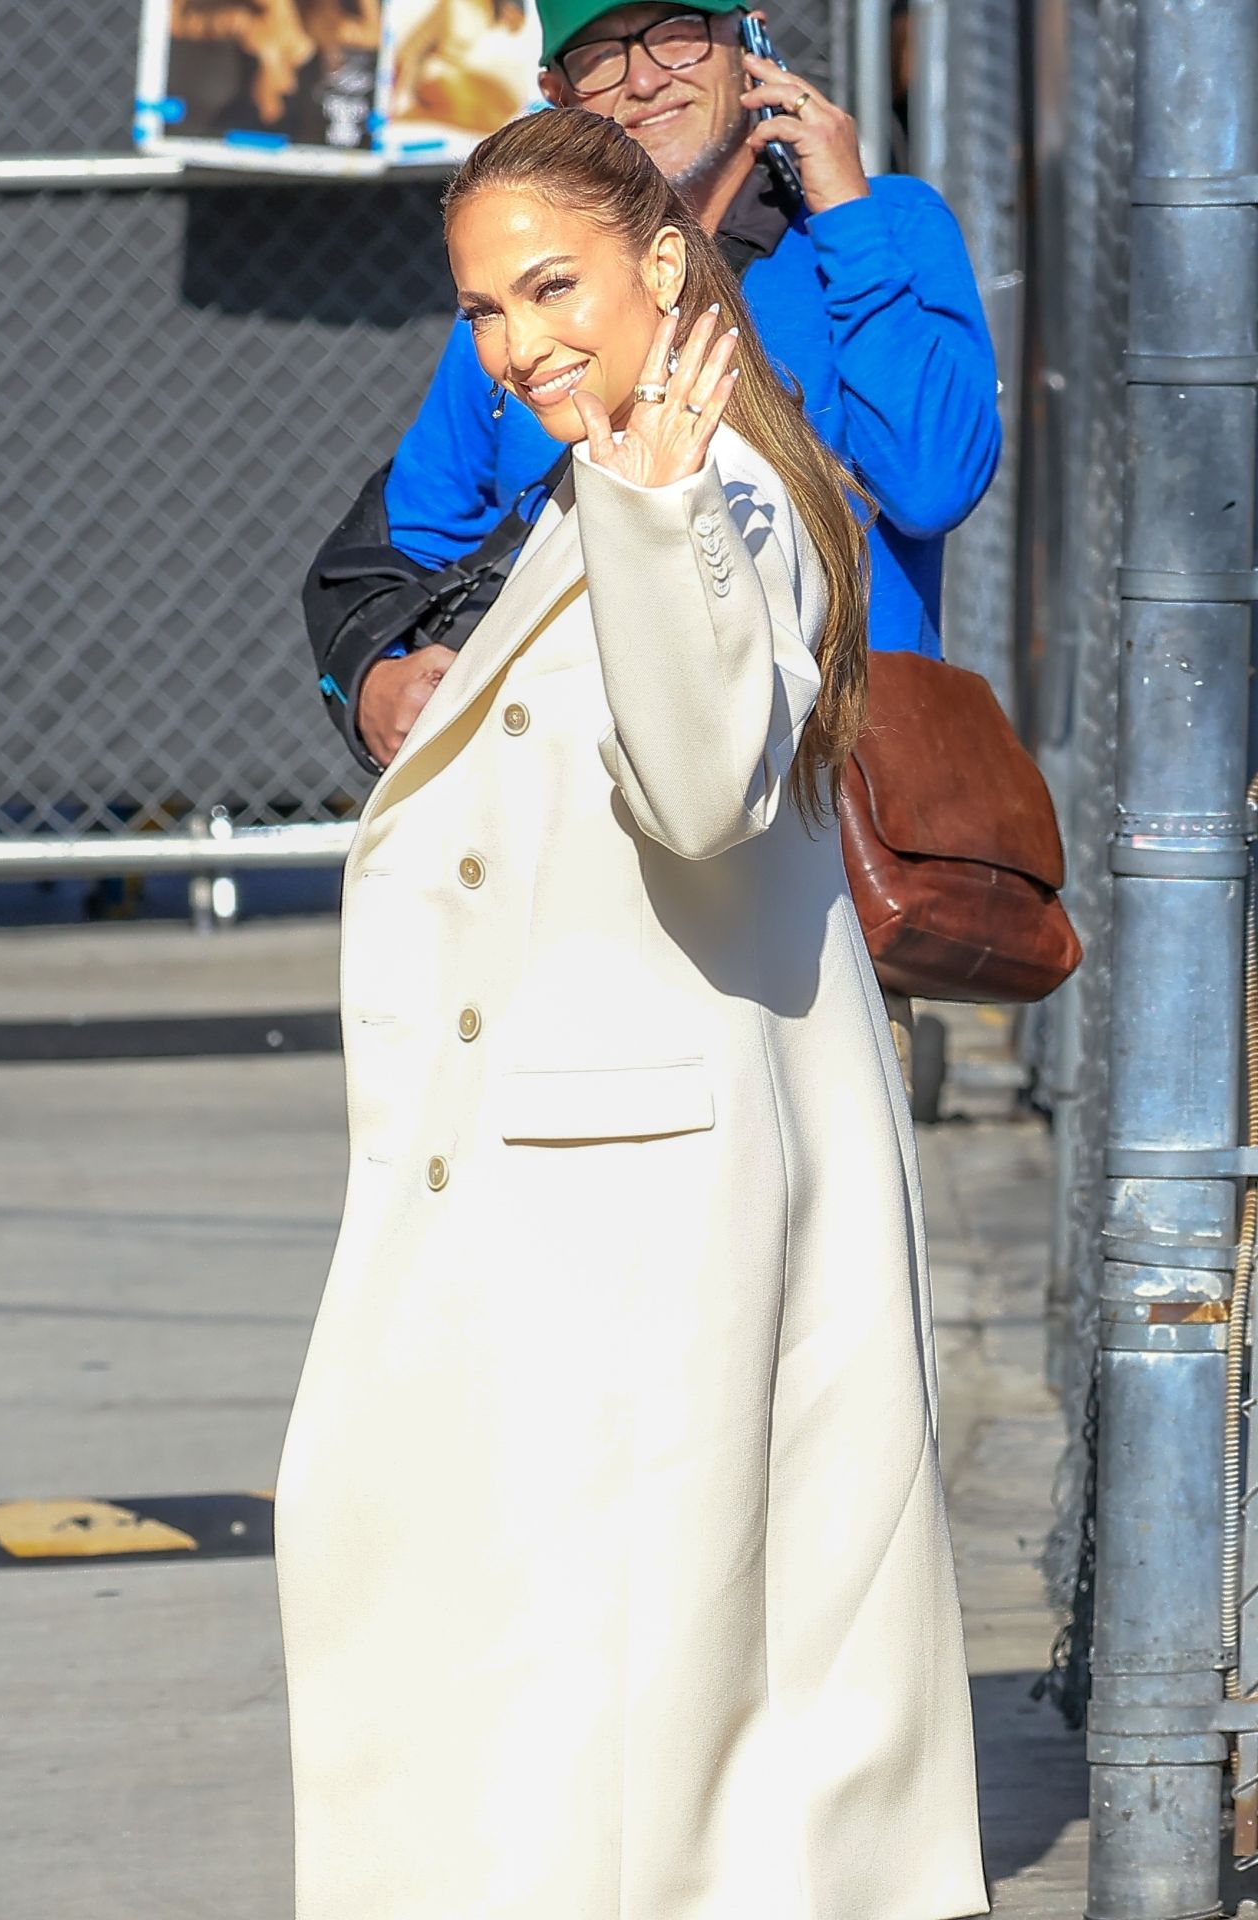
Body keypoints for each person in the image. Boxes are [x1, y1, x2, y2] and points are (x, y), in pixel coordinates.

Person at [275, 105, 988, 1920]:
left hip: (633, 1233)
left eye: (552, 286)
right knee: (620, 1722)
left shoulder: (717, 489)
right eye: (482, 309)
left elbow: (700, 784)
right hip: (589, 1209)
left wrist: (658, 510)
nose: (517, 344)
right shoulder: (618, 472)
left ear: (665, 267)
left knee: (641, 1732)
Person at [349, 0, 1002, 771]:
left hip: (843, 794)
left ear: (749, 41)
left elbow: (934, 487)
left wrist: (848, 217)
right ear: (556, 91)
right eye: (599, 55)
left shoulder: (885, 223)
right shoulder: (522, 311)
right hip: (585, 794)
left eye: (678, 35)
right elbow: (411, 539)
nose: (648, 78)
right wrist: (374, 681)